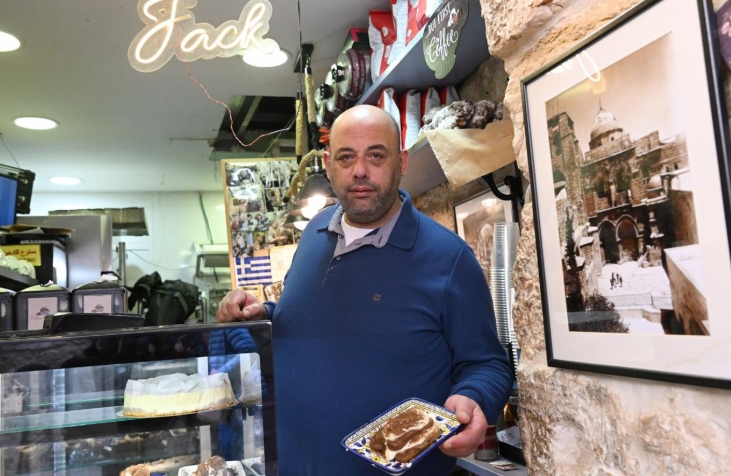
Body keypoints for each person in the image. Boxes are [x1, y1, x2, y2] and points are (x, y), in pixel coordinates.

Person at [217, 105, 512, 475]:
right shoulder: (315, 231)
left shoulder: (448, 258)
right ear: (328, 164)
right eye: (346, 157)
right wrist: (262, 313)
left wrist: (473, 398)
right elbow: (306, 318)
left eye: (376, 155)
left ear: (402, 162)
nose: (359, 170)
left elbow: (488, 363)